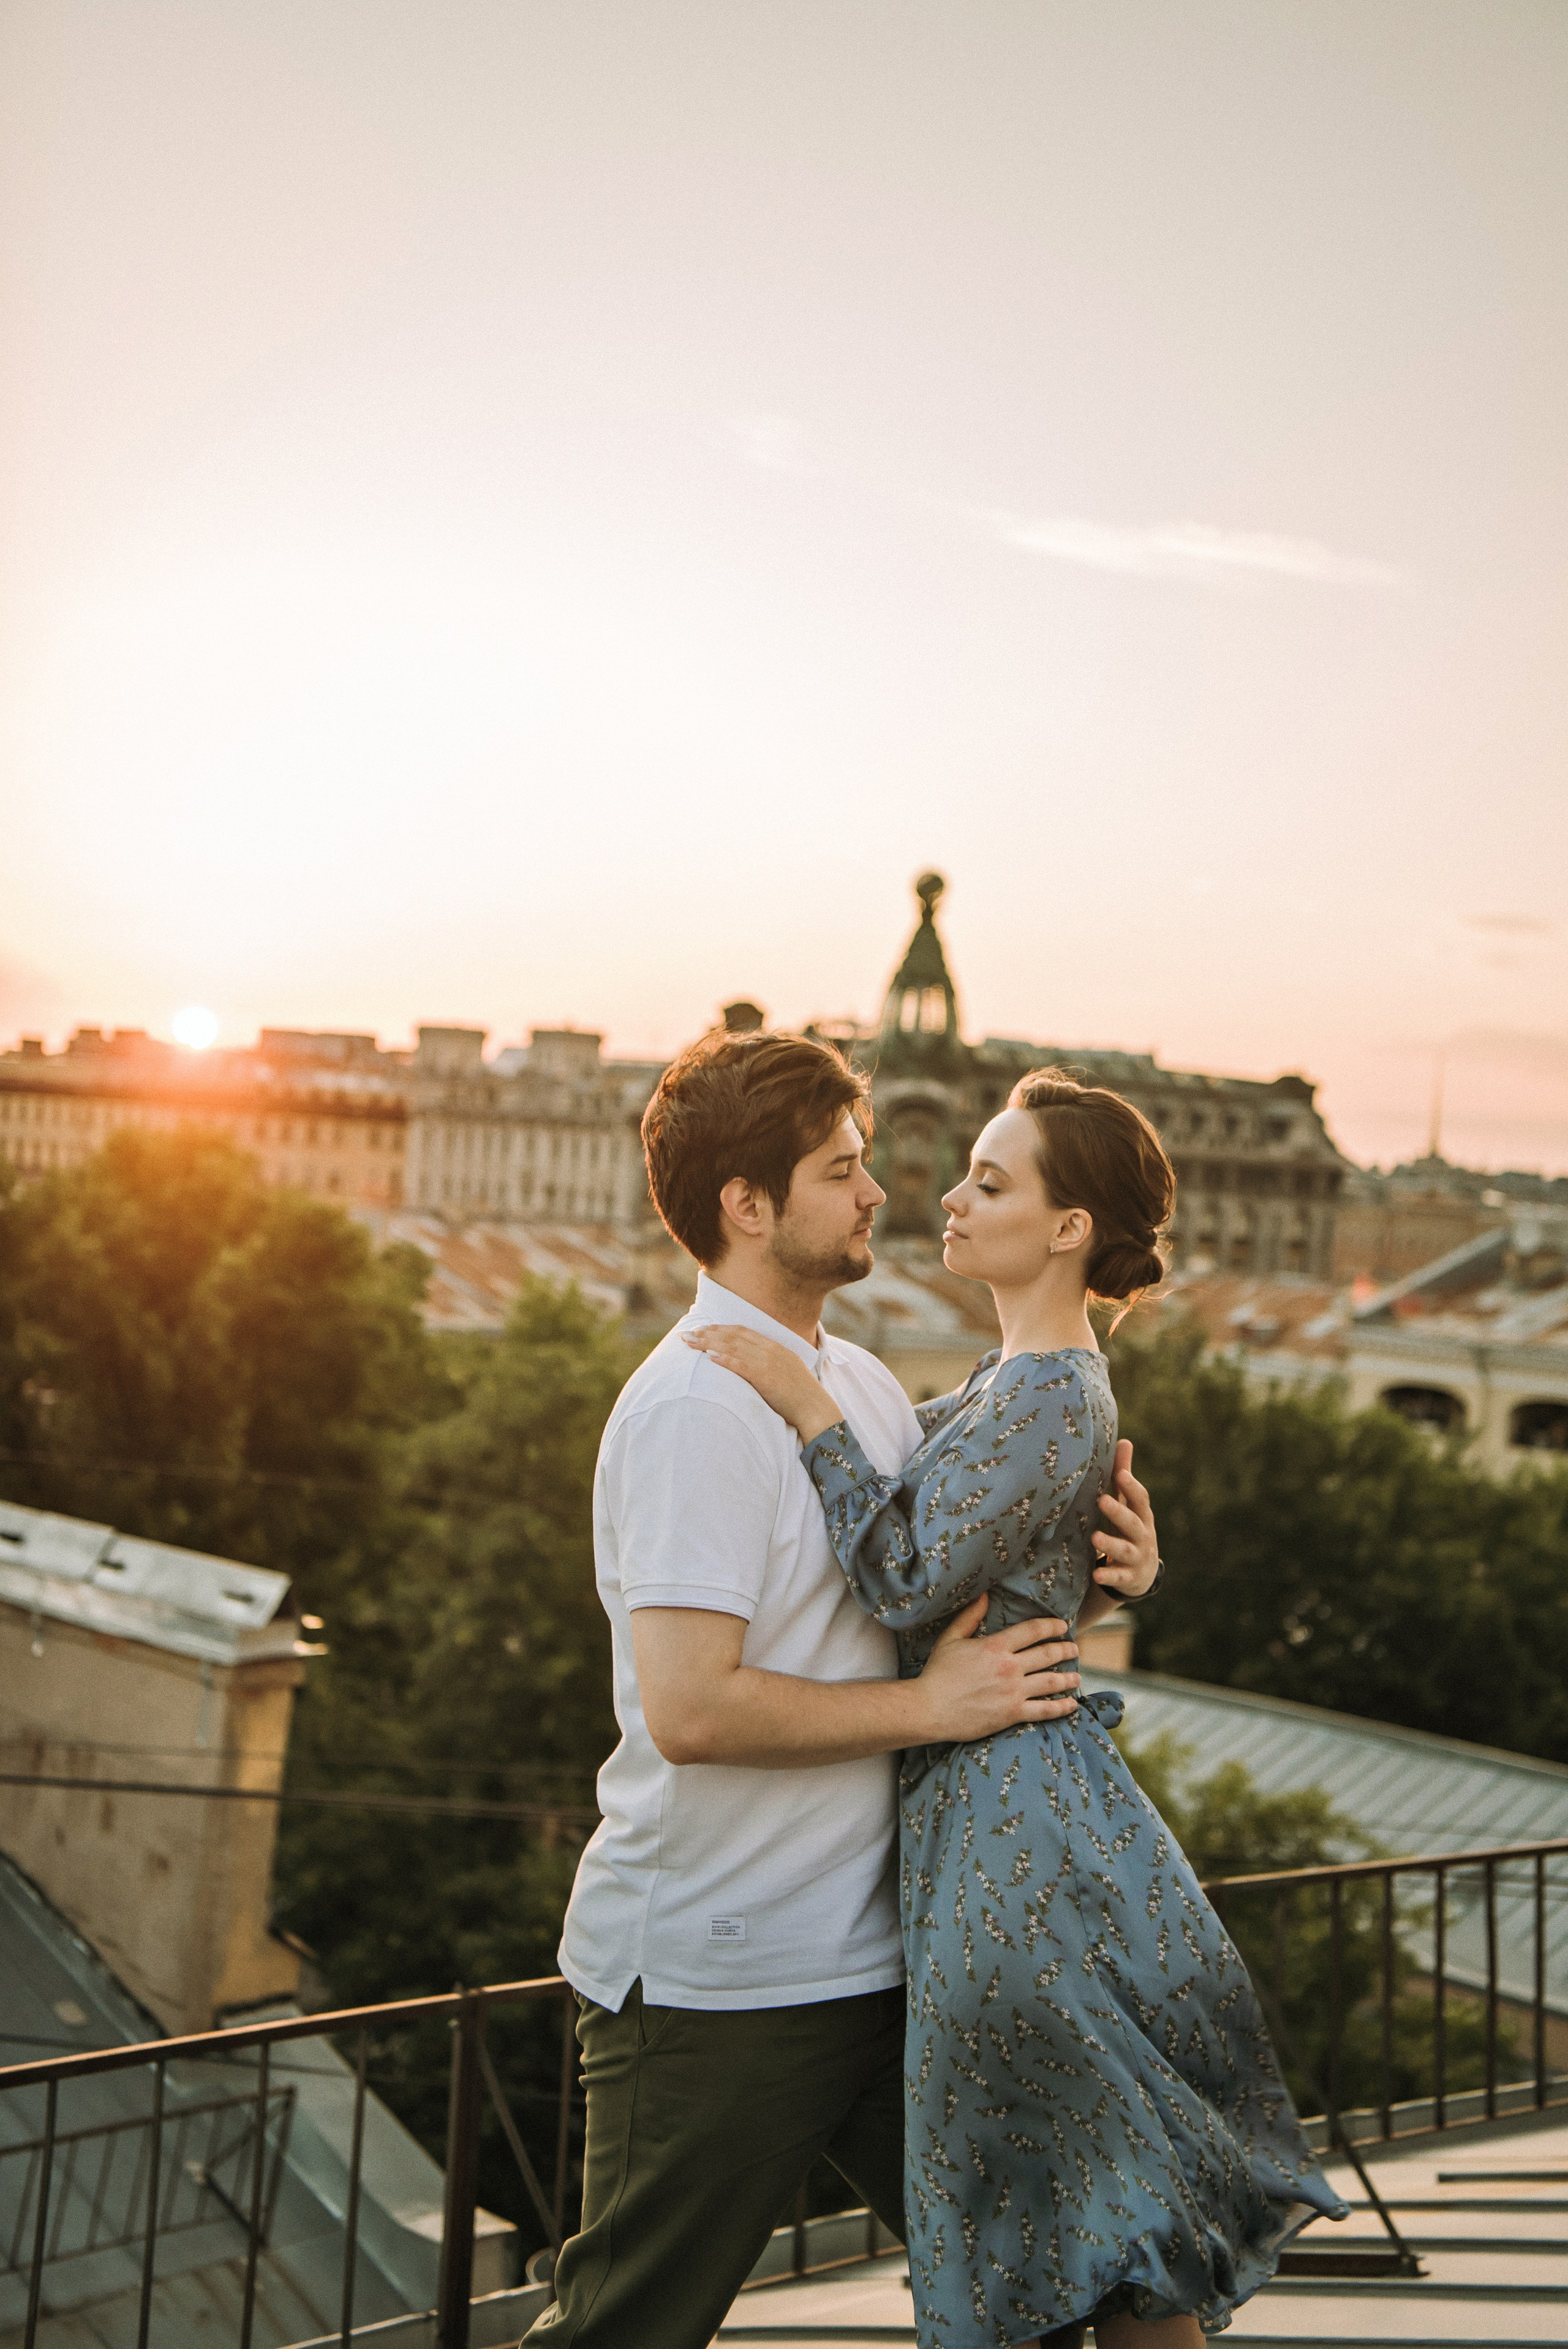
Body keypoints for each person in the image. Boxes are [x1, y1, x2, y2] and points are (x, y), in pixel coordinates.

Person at [686, 1069, 1346, 2349]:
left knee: (1089, 2223)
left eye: (989, 1181)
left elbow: (898, 1572)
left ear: (1066, 1228)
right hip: (1001, 1816)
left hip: (1014, 1841)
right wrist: (1118, 1572)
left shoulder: (1047, 1390)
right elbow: (948, 1510)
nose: (947, 1193)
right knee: (1095, 2223)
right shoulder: (1012, 1379)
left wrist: (805, 1398)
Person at [522, 1031, 1162, 2349]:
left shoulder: (856, 1382)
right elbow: (691, 1710)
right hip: (723, 1977)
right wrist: (930, 1710)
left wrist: (1116, 1566)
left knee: (1059, 2288)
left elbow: (982, 1533)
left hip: (879, 1964)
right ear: (746, 1205)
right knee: (619, 2333)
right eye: (839, 1170)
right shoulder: (694, 1412)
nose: (879, 1193)